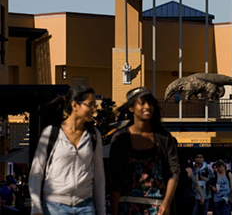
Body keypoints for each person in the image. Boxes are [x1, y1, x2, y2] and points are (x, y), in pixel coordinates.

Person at [29, 85, 105, 215]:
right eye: (90, 104)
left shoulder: (93, 135)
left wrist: (102, 210)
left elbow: (98, 175)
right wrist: (36, 207)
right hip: (54, 207)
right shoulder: (51, 133)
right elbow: (37, 172)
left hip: (86, 207)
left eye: (95, 105)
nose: (94, 109)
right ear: (75, 105)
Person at [109, 87, 180, 215]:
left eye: (150, 103)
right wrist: (114, 211)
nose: (147, 106)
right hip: (127, 207)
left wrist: (166, 203)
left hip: (158, 208)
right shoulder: (120, 137)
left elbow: (174, 170)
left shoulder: (163, 136)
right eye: (142, 103)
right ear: (131, 108)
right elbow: (115, 178)